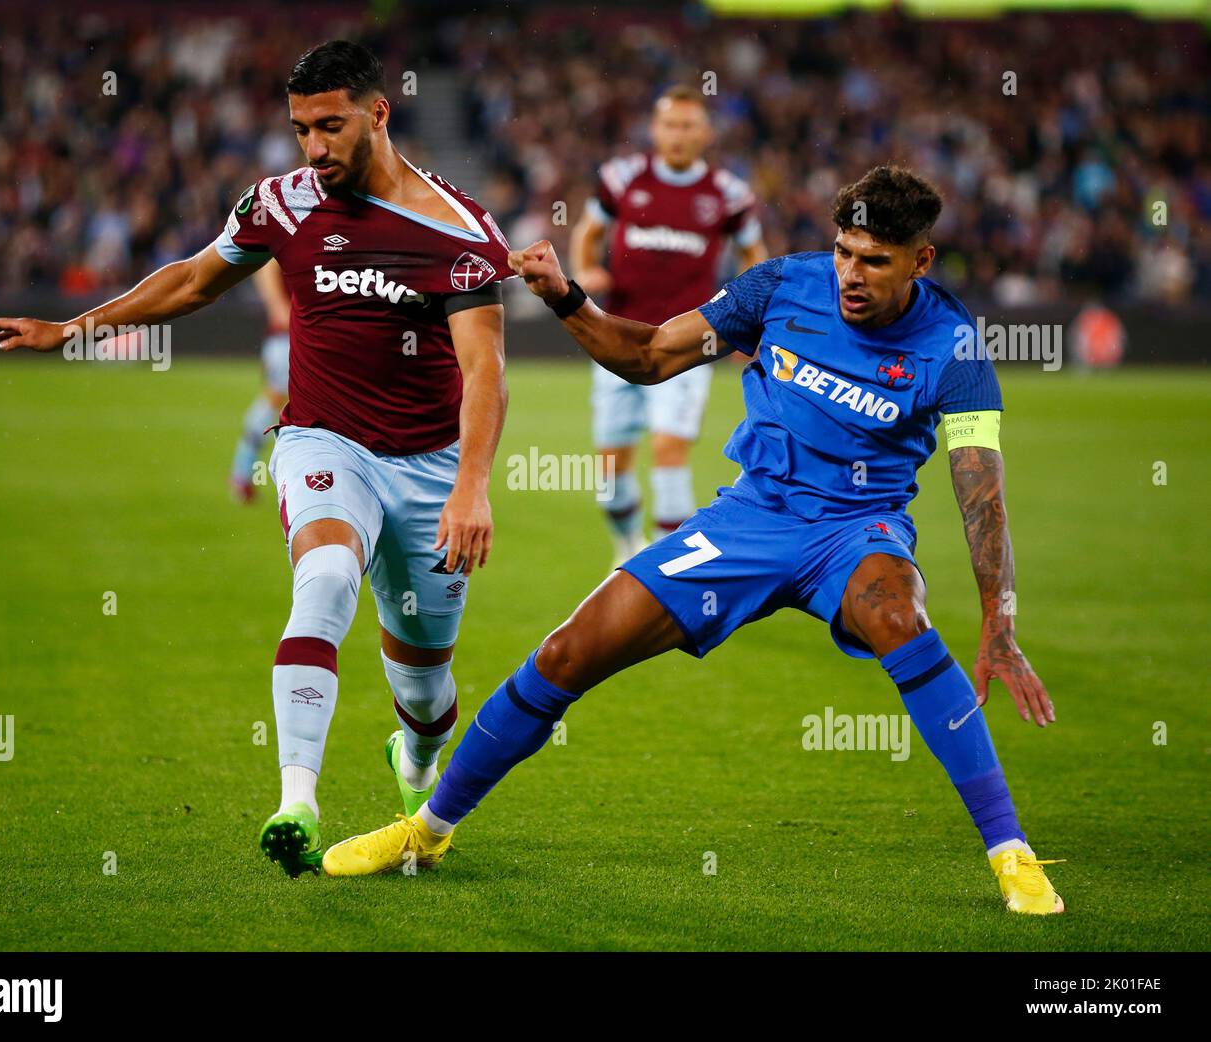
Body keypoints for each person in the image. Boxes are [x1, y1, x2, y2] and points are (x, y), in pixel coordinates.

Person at [324, 166, 1064, 916]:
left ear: (920, 260)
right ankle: (428, 827)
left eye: (874, 260)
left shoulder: (955, 346)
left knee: (900, 615)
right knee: (566, 653)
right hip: (748, 521)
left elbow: (982, 492)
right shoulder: (778, 287)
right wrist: (567, 299)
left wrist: (998, 624)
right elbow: (648, 356)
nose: (851, 273)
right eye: (844, 251)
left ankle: (1011, 852)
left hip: (855, 530)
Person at [0, 40, 514, 877]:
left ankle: (413, 762)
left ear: (378, 112)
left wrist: (472, 488)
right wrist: (74, 329)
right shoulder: (281, 205)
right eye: (300, 129)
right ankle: (296, 801)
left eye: (330, 127)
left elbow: (485, 369)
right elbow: (193, 280)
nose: (313, 148)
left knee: (425, 689)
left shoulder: (457, 229)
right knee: (326, 577)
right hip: (323, 441)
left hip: (431, 467)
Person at [570, 86, 766, 567]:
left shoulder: (729, 194)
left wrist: (753, 319)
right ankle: (627, 542)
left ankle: (664, 566)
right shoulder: (620, 179)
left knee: (669, 448)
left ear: (706, 133)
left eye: (688, 125)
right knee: (611, 468)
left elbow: (755, 256)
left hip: (688, 339)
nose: (678, 135)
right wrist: (586, 270)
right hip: (618, 334)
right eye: (670, 125)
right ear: (655, 130)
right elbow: (587, 231)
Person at [229, 258, 291, 503]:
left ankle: (242, 474)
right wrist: (278, 307)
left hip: (296, 338)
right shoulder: (290, 234)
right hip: (287, 340)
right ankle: (242, 473)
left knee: (276, 401)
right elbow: (266, 269)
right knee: (274, 400)